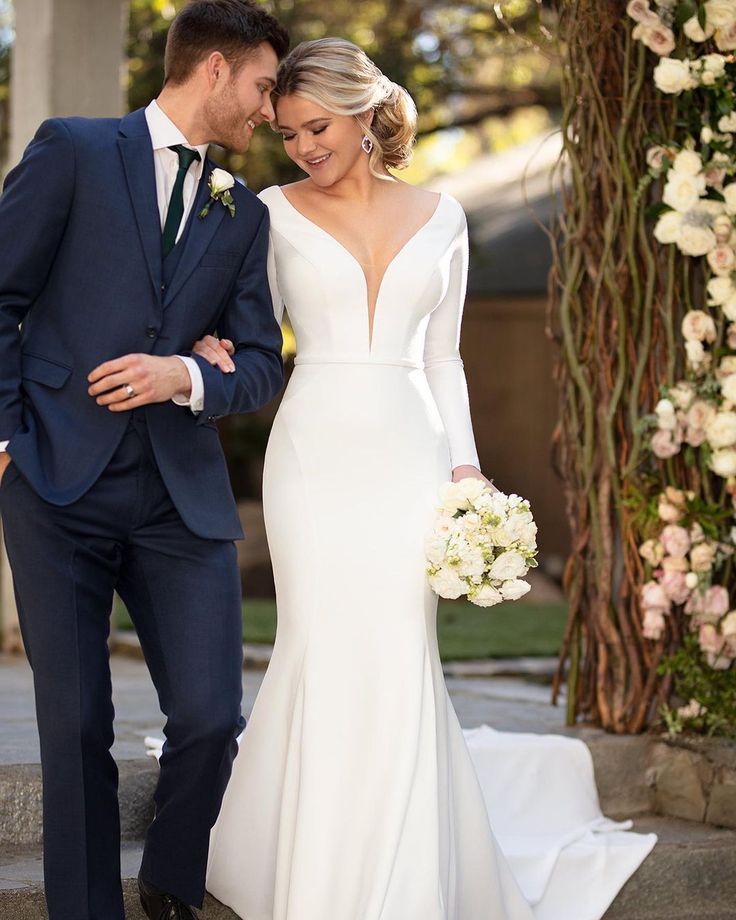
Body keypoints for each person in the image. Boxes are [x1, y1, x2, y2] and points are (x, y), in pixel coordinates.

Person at [197, 36, 536, 920]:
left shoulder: (445, 215)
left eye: (316, 128)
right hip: (314, 451)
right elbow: (248, 331)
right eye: (289, 133)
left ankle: (403, 878)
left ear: (361, 114)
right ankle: (310, 873)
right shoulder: (268, 212)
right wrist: (208, 348)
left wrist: (465, 469)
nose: (303, 146)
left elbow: (446, 357)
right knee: (322, 644)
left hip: (413, 453)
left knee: (398, 651)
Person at [0, 2, 288, 918]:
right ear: (212, 67)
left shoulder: (241, 212)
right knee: (76, 722)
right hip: (55, 482)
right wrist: (7, 438)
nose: (271, 111)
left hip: (181, 501)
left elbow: (262, 362)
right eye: (263, 85)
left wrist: (183, 378)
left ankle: (169, 882)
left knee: (210, 719)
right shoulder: (75, 150)